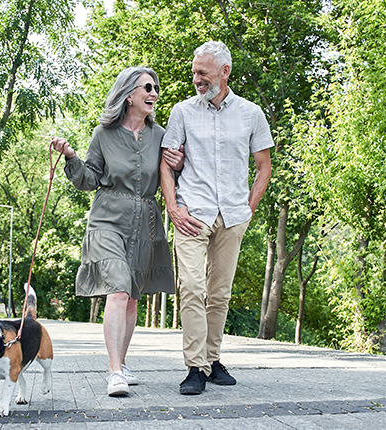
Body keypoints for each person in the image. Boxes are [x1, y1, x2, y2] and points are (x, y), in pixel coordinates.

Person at [51, 67, 176, 397]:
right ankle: (114, 371)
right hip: (107, 219)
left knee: (132, 297)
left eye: (156, 88)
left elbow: (170, 174)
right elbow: (89, 180)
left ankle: (121, 361)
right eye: (147, 87)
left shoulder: (161, 136)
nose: (153, 93)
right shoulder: (103, 134)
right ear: (129, 94)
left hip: (145, 222)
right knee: (118, 289)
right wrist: (71, 157)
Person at [160, 41, 274, 395]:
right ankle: (195, 366)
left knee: (219, 293)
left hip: (233, 215)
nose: (196, 79)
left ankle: (212, 358)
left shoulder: (251, 113)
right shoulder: (181, 112)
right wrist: (173, 207)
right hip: (192, 212)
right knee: (191, 287)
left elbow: (263, 166)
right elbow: (167, 162)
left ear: (224, 72)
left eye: (202, 73)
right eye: (194, 72)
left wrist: (248, 211)